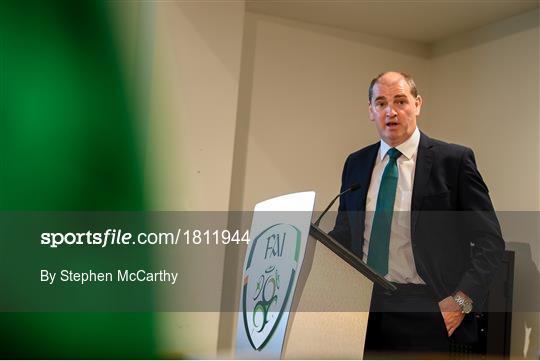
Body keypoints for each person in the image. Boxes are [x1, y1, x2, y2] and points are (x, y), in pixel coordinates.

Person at [329, 71, 505, 359]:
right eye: (381, 103)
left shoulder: (454, 161)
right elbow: (344, 235)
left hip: (423, 308)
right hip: (360, 308)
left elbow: (490, 242)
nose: (391, 111)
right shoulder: (357, 163)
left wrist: (460, 302)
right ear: (371, 111)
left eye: (400, 101)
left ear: (417, 104)